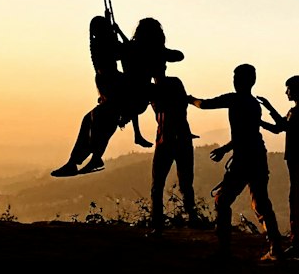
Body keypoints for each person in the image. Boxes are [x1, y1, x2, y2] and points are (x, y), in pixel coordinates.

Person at [51, 15, 183, 177]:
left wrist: (117, 37)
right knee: (92, 119)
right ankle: (79, 161)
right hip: (130, 97)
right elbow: (112, 51)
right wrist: (113, 33)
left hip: (133, 98)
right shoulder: (142, 50)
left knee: (99, 119)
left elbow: (177, 56)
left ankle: (88, 159)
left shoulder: (141, 50)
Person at [189, 63, 283, 259]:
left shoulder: (235, 99)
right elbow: (248, 134)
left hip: (244, 158)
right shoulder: (253, 104)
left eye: (236, 77)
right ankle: (275, 245)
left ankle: (224, 249)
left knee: (222, 201)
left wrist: (189, 99)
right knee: (260, 203)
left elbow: (205, 104)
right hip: (257, 155)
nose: (233, 80)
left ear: (240, 80)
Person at [259, 75, 299, 258]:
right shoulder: (297, 111)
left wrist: (267, 108)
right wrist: (260, 121)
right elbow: (279, 128)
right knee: (297, 199)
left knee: (296, 200)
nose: (286, 92)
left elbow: (282, 127)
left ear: (296, 90)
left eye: (288, 88)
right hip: (298, 159)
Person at [148, 67, 199, 232]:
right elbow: (182, 105)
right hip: (180, 138)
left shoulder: (152, 89)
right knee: (185, 183)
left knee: (159, 185)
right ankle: (192, 218)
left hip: (166, 140)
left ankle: (158, 224)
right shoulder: (173, 83)